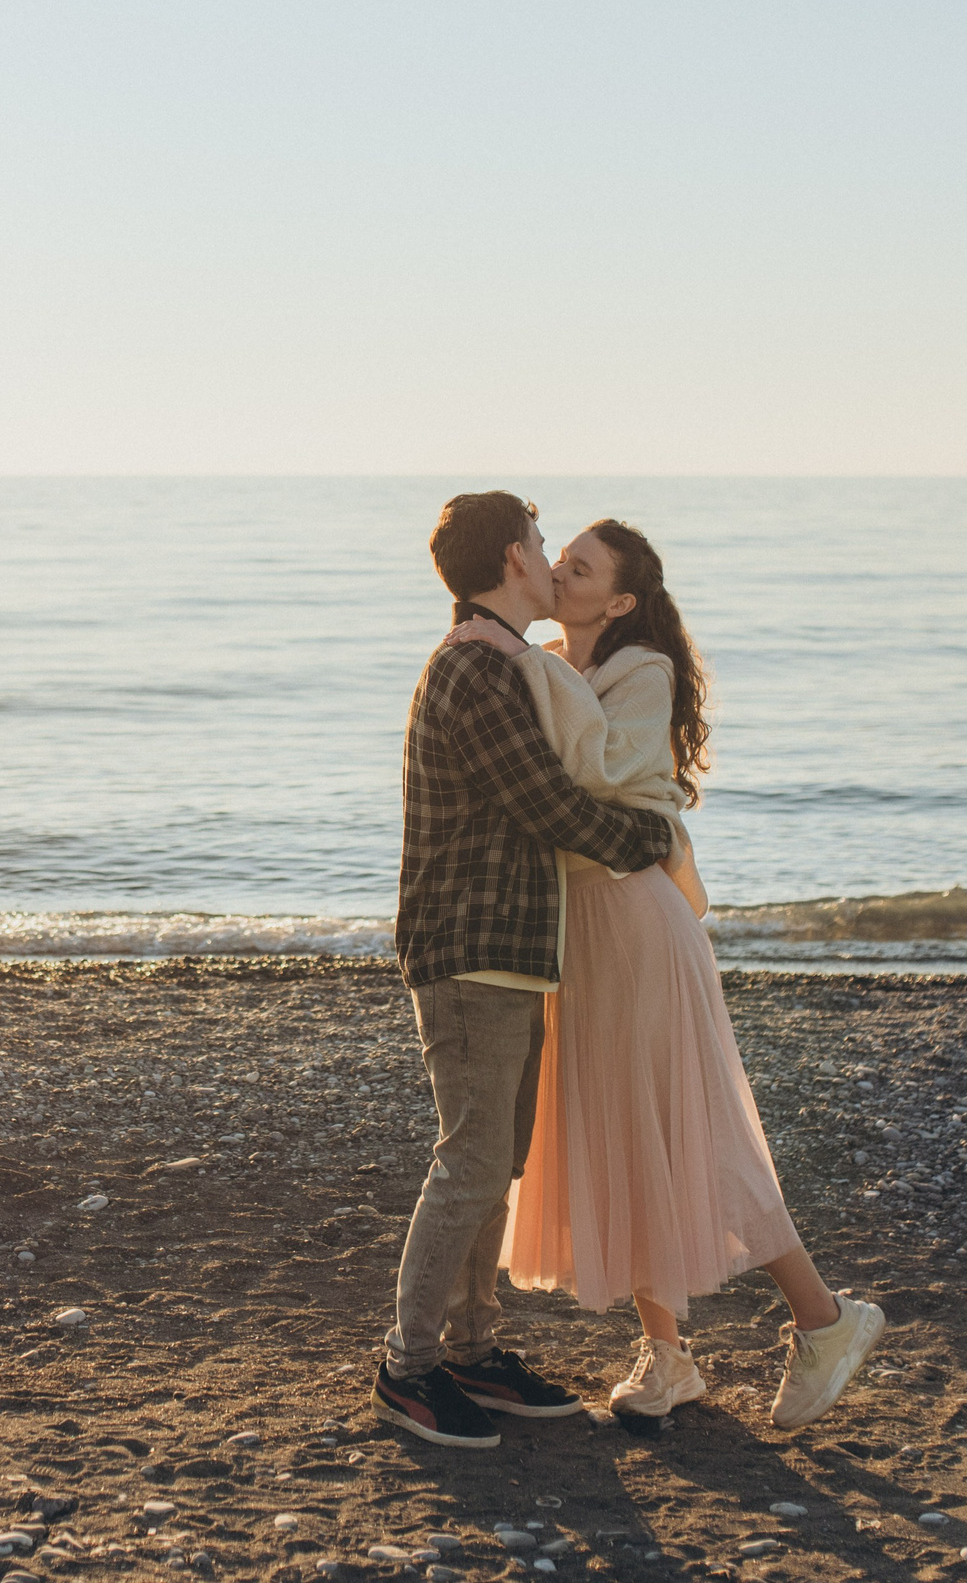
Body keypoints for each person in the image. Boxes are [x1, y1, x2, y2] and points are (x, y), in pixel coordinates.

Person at [447, 518, 886, 1431]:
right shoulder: (555, 665)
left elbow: (596, 770)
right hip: (587, 925)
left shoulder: (637, 670)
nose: (558, 572)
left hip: (635, 920)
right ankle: (670, 1356)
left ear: (620, 601)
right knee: (624, 1129)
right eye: (556, 559)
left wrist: (518, 657)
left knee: (691, 1124)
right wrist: (525, 657)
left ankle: (825, 1317)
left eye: (580, 567)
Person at [376, 492, 678, 1450]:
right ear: (514, 556)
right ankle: (409, 1366)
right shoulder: (474, 667)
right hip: (469, 951)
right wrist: (648, 837)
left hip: (511, 950)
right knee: (470, 1160)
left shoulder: (507, 663)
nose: (553, 561)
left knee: (497, 1160)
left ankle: (472, 1347)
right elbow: (547, 802)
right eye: (545, 545)